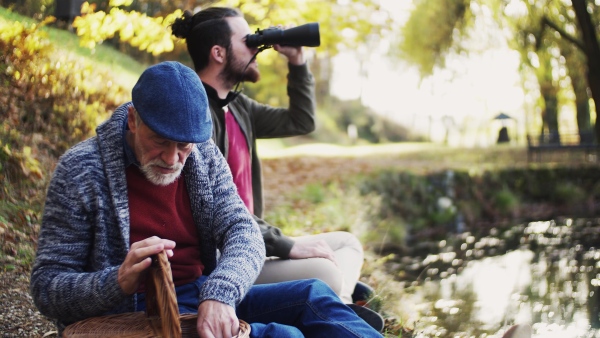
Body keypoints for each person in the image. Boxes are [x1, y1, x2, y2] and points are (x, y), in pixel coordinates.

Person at [29, 61, 382, 337]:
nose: (171, 159)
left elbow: (243, 231)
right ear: (133, 120)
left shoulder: (202, 155)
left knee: (315, 295)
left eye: (183, 146)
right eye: (159, 142)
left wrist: (220, 293)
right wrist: (116, 281)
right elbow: (47, 288)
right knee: (286, 335)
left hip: (200, 294)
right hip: (135, 319)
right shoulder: (81, 170)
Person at [171, 8, 384, 330]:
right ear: (218, 53)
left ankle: (339, 302)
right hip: (226, 256)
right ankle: (339, 307)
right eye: (248, 41)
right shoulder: (196, 115)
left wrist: (297, 62)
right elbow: (215, 208)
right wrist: (289, 245)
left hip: (254, 241)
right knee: (327, 272)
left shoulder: (238, 106)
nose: (258, 48)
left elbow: (301, 120)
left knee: (347, 245)